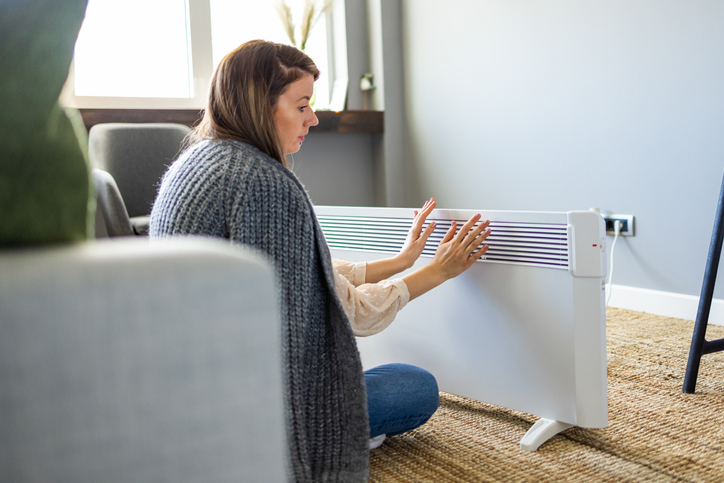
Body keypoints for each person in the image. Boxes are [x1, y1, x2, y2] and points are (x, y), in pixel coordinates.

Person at [149, 40, 491, 482]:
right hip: (254, 408)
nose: (313, 118)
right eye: (302, 105)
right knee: (414, 386)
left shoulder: (194, 163)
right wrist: (438, 271)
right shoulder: (264, 185)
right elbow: (350, 312)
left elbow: (309, 274)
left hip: (189, 393)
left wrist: (402, 259)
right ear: (260, 105)